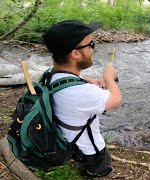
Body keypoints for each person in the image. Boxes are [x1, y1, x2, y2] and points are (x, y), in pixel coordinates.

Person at [42, 20, 122, 177]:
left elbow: (67, 86)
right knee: (101, 166)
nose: (93, 49)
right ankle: (94, 173)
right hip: (90, 150)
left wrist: (85, 80)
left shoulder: (50, 74)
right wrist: (109, 78)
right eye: (90, 44)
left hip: (68, 140)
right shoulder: (82, 92)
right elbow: (116, 99)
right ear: (75, 54)